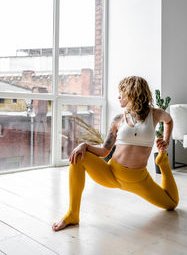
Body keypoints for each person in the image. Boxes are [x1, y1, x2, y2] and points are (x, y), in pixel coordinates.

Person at [52, 76, 179, 231]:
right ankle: (72, 214)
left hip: (139, 180)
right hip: (111, 174)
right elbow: (105, 151)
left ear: (132, 92)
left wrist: (165, 142)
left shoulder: (155, 114)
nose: (118, 97)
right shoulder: (118, 119)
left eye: (121, 92)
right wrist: (84, 145)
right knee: (78, 157)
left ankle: (163, 163)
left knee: (172, 204)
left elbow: (169, 120)